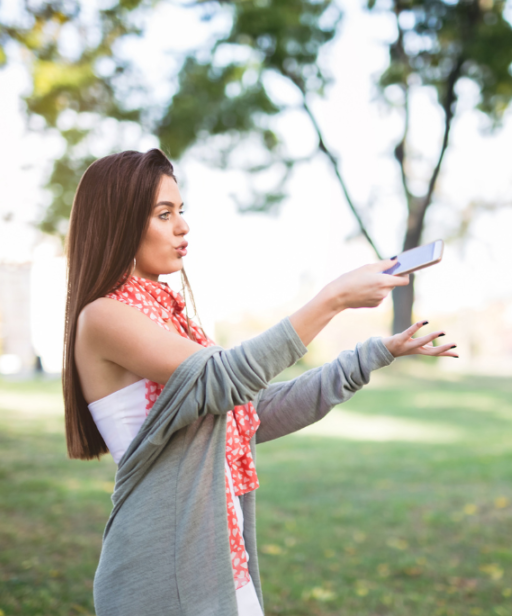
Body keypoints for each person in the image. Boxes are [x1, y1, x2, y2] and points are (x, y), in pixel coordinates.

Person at [62, 149, 457, 616]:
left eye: (180, 211)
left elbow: (254, 412)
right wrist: (332, 299)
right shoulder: (105, 316)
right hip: (164, 578)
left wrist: (374, 354)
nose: (182, 227)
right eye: (163, 214)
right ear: (118, 222)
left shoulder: (167, 319)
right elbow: (225, 378)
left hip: (220, 564)